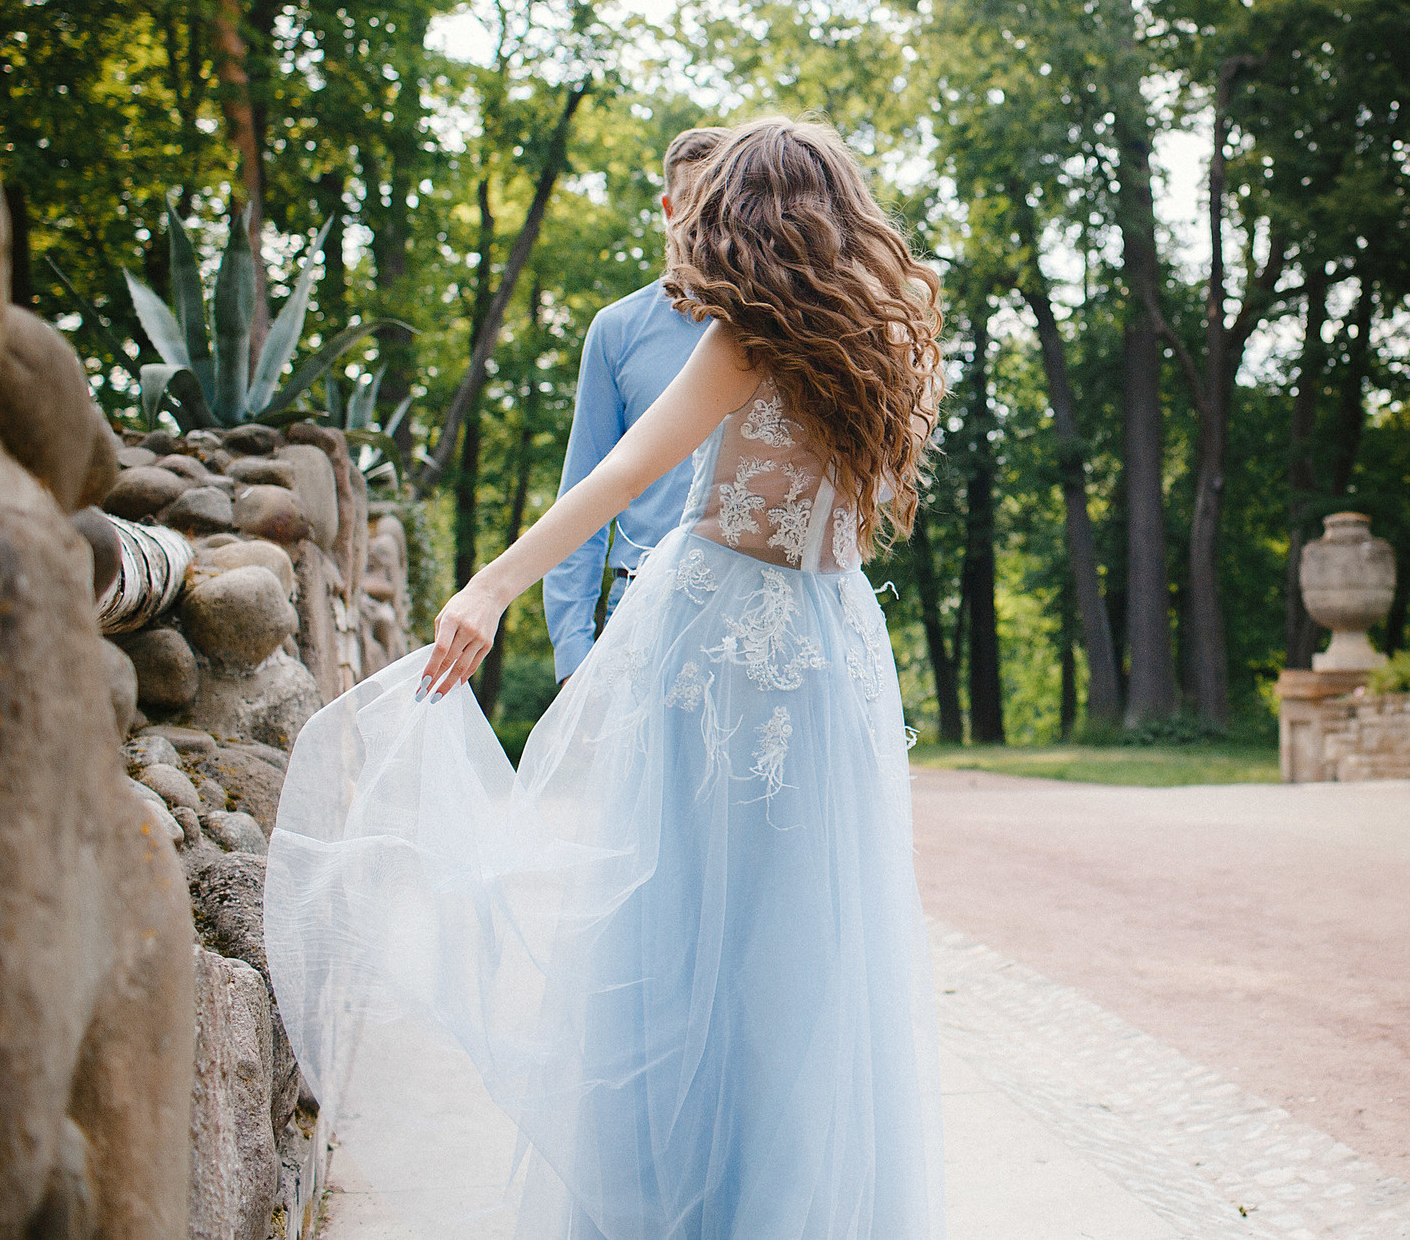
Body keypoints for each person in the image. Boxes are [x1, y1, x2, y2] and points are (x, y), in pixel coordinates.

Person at [264, 117, 947, 1240]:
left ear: (745, 215)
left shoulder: (741, 338)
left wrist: (489, 585)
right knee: (813, 943)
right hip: (831, 650)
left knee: (673, 929)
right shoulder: (899, 325)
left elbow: (629, 469)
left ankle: (670, 1201)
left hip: (719, 642)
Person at [542, 125, 727, 682]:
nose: (711, 226)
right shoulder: (617, 330)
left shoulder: (777, 331)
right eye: (697, 207)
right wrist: (574, 654)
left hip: (750, 618)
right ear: (669, 209)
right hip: (638, 614)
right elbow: (584, 490)